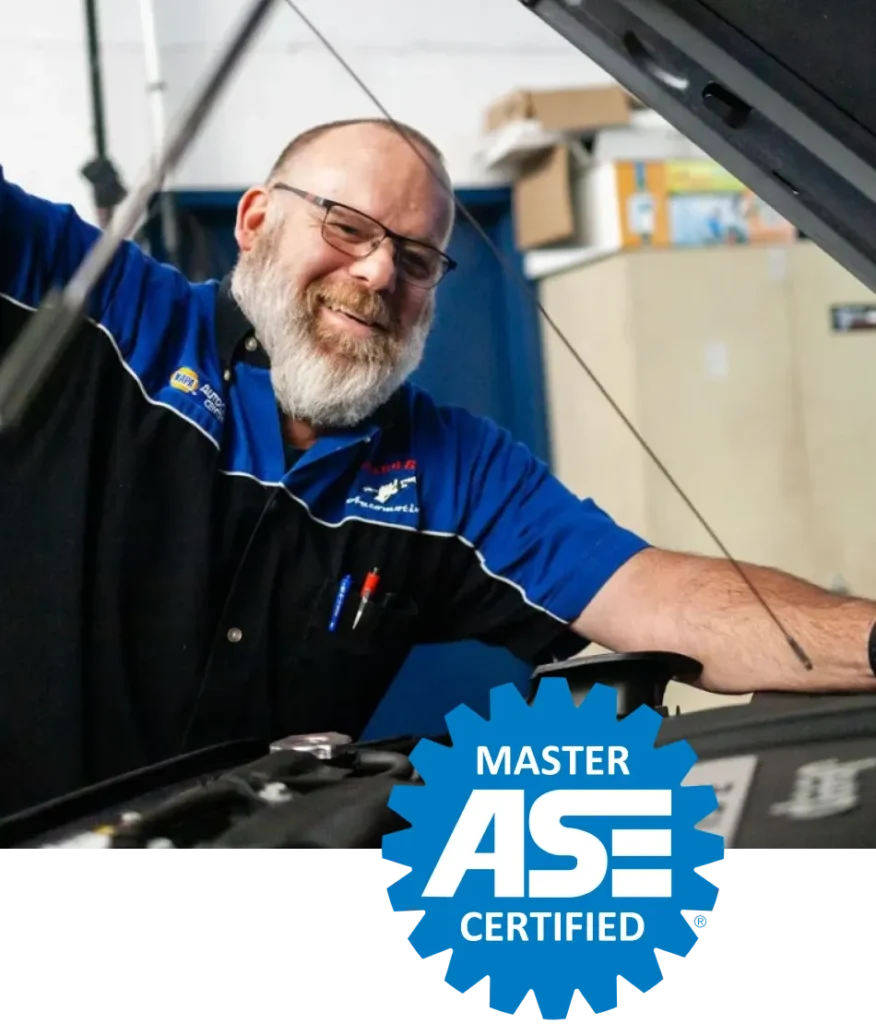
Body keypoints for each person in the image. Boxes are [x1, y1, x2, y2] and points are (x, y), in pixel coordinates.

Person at [0, 117, 874, 819]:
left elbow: (664, 598)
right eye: (347, 227)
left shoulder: (456, 472)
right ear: (257, 219)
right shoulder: (99, 308)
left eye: (417, 260)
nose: (379, 272)